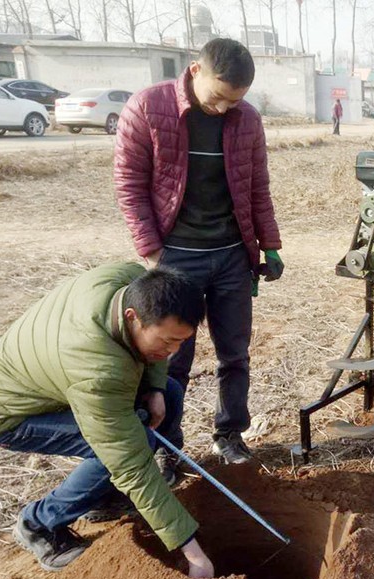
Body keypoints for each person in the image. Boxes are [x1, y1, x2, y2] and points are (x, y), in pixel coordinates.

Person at [0, 263, 214, 579]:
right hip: (8, 414)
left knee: (171, 392)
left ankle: (105, 497)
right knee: (126, 447)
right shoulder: (97, 370)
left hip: (54, 381)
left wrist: (154, 385)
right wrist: (193, 554)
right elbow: (128, 461)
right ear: (131, 317)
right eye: (166, 342)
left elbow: (151, 358)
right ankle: (39, 524)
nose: (173, 351)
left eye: (181, 341)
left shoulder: (131, 281)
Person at [114, 38, 283, 466]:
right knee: (171, 358)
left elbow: (257, 187)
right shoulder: (149, 108)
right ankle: (169, 450)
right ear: (195, 71)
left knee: (235, 353)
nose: (225, 109)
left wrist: (271, 245)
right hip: (175, 257)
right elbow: (129, 186)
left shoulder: (247, 120)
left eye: (235, 101)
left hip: (231, 256)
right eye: (218, 97)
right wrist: (152, 252)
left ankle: (229, 435)